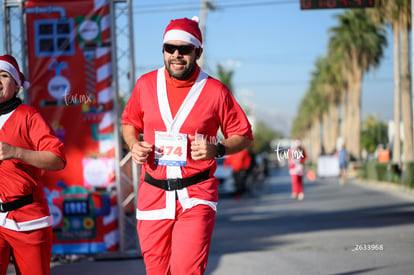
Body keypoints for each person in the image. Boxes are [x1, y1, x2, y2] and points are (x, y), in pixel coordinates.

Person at [121, 17, 253, 275]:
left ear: (198, 52)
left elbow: (244, 135)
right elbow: (129, 122)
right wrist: (133, 144)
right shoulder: (146, 84)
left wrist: (218, 149)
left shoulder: (215, 91)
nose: (177, 55)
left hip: (196, 196)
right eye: (170, 48)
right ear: (163, 51)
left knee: (185, 270)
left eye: (185, 49)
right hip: (154, 196)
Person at [0, 54, 66, 275]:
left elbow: (57, 159)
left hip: (27, 220)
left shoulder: (29, 116)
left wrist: (15, 152)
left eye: (3, 75)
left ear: (17, 85)